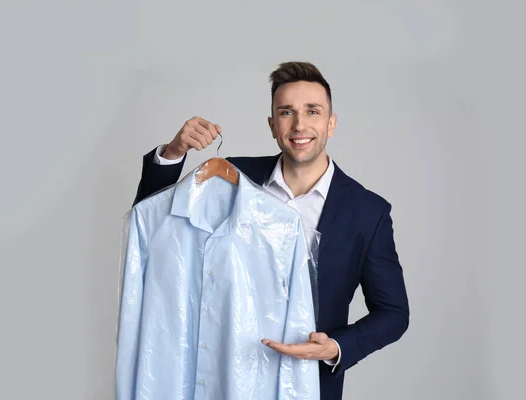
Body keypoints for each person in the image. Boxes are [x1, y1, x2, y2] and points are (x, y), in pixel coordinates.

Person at [131, 61, 410, 399]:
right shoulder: (231, 176)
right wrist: (174, 153)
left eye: (312, 111)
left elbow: (394, 313)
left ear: (331, 123)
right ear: (272, 125)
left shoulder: (368, 211)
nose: (299, 125)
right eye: (286, 112)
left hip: (307, 381)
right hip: (220, 375)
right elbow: (152, 225)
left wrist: (333, 348)